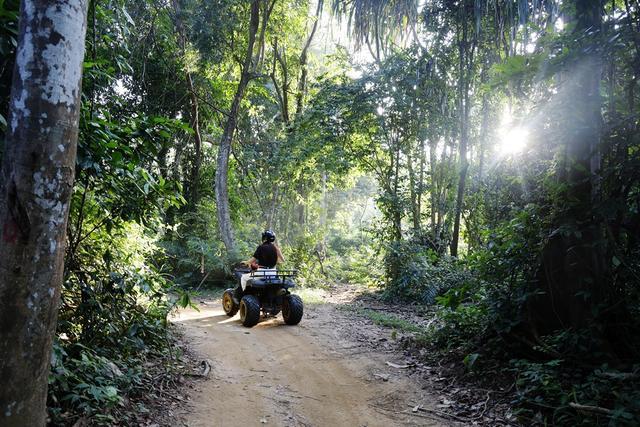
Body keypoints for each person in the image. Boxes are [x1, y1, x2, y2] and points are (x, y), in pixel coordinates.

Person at [233, 230, 285, 303]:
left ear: (264, 238)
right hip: (273, 273)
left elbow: (253, 259)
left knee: (244, 278)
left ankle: (240, 298)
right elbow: (282, 260)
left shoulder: (261, 247)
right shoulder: (275, 248)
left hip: (262, 273)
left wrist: (246, 262)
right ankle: (276, 291)